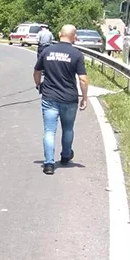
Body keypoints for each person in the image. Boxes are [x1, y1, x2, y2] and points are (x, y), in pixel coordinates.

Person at [34, 25, 89, 175]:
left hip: (49, 97)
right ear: (74, 36)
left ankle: (49, 164)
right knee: (68, 128)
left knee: (49, 131)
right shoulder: (76, 54)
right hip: (69, 98)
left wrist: (38, 84)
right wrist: (84, 97)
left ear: (59, 34)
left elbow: (37, 71)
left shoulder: (47, 51)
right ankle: (65, 156)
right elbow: (83, 79)